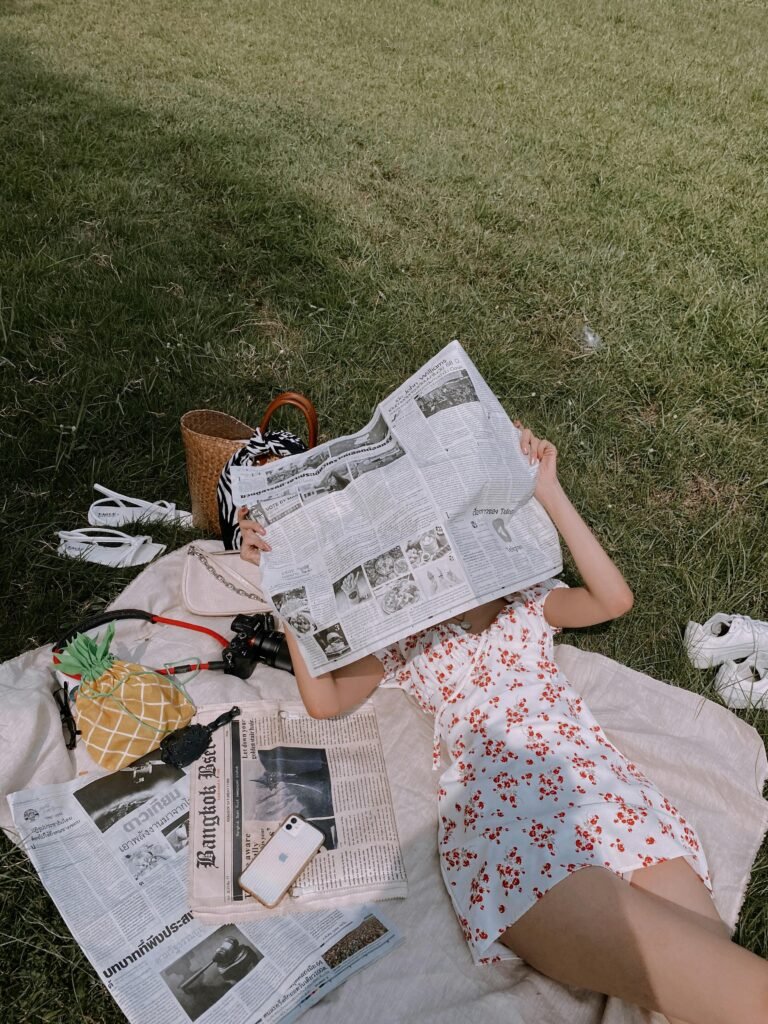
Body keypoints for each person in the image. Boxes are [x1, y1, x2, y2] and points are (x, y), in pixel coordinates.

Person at [237, 426, 768, 1024]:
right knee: (731, 990)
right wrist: (286, 597)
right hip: (509, 816)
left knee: (714, 972)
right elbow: (326, 703)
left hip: (605, 789)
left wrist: (550, 490)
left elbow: (614, 600)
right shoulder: (405, 638)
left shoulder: (530, 602)